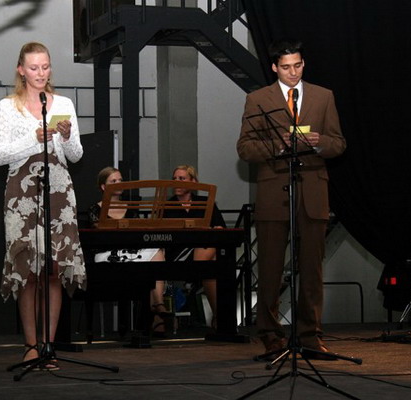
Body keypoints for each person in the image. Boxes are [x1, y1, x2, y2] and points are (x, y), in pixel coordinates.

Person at [237, 39, 346, 358]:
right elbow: (245, 148)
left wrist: (319, 142)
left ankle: (310, 335)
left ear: (303, 63)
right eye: (286, 67)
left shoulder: (324, 96)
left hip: (313, 190)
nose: (293, 72)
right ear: (274, 67)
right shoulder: (258, 99)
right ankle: (271, 334)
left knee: (312, 269)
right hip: (274, 191)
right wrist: (279, 144)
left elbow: (339, 143)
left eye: (297, 65)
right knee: (270, 268)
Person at [0, 42, 86, 370]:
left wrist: (67, 136)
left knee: (53, 271)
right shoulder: (8, 106)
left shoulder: (63, 103)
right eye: (34, 68)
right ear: (21, 70)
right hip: (22, 192)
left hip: (58, 190)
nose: (40, 73)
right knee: (28, 271)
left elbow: (76, 155)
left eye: (45, 67)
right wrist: (35, 136)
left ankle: (49, 345)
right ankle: (31, 345)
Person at [88, 167, 170, 336]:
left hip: (131, 250)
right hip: (107, 254)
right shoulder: (95, 209)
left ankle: (157, 304)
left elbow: (138, 235)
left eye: (121, 180)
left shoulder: (131, 208)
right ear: (103, 186)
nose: (119, 183)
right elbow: (101, 236)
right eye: (114, 181)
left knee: (156, 251)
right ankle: (157, 311)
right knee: (144, 268)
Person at [163, 165, 226, 329]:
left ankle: (218, 316)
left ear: (193, 182)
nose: (176, 182)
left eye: (182, 178)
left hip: (201, 251)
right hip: (177, 255)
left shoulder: (205, 203)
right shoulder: (167, 206)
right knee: (212, 262)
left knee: (211, 253)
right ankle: (220, 318)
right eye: (174, 179)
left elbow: (220, 228)